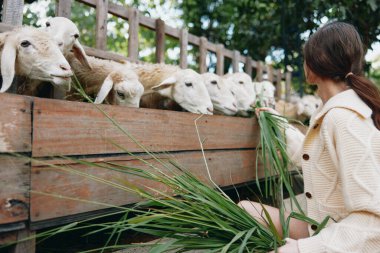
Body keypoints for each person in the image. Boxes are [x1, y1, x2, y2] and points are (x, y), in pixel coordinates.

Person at [239, 21, 380, 252]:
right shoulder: (333, 114)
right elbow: (316, 157)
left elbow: (375, 224)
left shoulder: (345, 120)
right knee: (245, 210)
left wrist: (304, 249)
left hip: (339, 236)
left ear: (312, 66)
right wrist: (278, 123)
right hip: (323, 224)